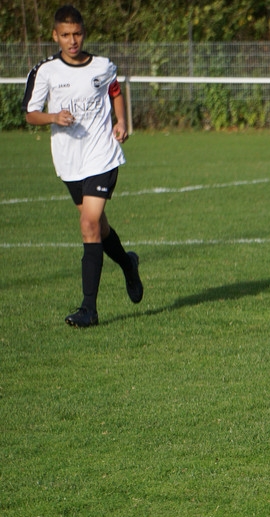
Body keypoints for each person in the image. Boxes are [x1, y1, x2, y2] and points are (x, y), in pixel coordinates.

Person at [23, 5, 143, 328]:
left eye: (77, 34)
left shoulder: (102, 66)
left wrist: (121, 122)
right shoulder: (45, 71)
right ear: (55, 36)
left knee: (88, 223)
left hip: (102, 155)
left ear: (83, 33)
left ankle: (88, 309)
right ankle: (128, 264)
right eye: (65, 35)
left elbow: (115, 91)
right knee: (99, 227)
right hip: (69, 160)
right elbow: (30, 113)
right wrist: (53, 117)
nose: (72, 40)